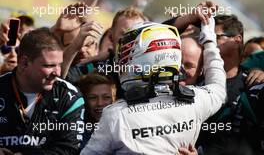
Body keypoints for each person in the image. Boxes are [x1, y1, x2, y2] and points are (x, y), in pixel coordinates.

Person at [80, 17, 226, 154]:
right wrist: (209, 40)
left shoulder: (116, 115)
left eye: (127, 53)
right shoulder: (196, 100)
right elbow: (218, 85)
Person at [0, 28, 85, 155]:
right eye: (49, 66)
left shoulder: (69, 96)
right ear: (24, 63)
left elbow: (68, 149)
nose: (57, 73)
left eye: (59, 64)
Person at [197, 14, 264, 155]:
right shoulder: (194, 81)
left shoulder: (253, 85)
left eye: (215, 36)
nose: (207, 41)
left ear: (237, 40)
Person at [77, 72, 116, 149]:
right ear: (84, 99)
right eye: (93, 98)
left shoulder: (123, 127)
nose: (100, 103)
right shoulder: (76, 132)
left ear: (114, 99)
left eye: (106, 97)